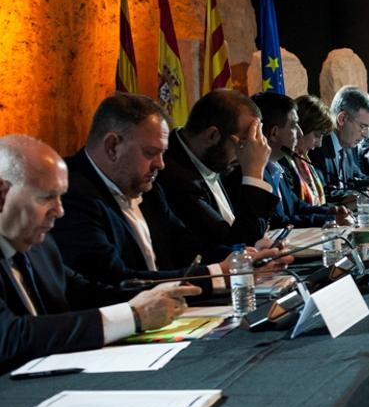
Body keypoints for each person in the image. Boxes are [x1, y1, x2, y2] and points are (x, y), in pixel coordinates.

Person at [0, 135, 199, 373]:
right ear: (2, 194)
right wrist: (133, 315)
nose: (60, 211)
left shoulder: (41, 247)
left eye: (61, 197)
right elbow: (11, 336)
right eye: (46, 198)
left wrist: (157, 296)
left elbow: (88, 294)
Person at [55, 93, 269, 289]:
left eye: (163, 153)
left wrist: (246, 259)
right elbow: (115, 280)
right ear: (112, 146)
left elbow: (189, 250)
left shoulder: (150, 190)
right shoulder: (69, 195)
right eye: (150, 153)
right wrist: (217, 274)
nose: (161, 164)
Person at [157, 88, 278, 247]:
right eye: (244, 142)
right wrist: (254, 172)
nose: (247, 153)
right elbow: (240, 246)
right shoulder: (173, 176)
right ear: (212, 136)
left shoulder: (213, 158)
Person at [251, 92, 349, 229]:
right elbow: (277, 222)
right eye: (294, 125)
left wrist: (330, 212)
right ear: (274, 133)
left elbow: (296, 205)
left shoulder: (276, 166)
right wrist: (330, 220)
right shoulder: (255, 171)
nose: (300, 133)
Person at [310, 86, 369, 192]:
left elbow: (356, 178)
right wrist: (359, 194)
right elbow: (322, 193)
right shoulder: (318, 147)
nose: (366, 135)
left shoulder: (347, 144)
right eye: (363, 126)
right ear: (342, 119)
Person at [292, 95, 333, 206]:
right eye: (317, 135)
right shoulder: (284, 164)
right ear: (301, 128)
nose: (319, 144)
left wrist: (349, 202)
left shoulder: (304, 160)